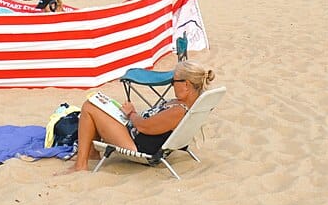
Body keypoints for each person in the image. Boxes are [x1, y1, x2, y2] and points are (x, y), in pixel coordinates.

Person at [63, 60, 216, 173]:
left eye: (173, 80)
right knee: (99, 103)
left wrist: (131, 113)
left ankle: (80, 165)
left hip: (135, 144)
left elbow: (144, 127)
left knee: (89, 106)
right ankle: (92, 153)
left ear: (187, 85)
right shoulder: (188, 105)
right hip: (134, 133)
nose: (171, 84)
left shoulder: (178, 111)